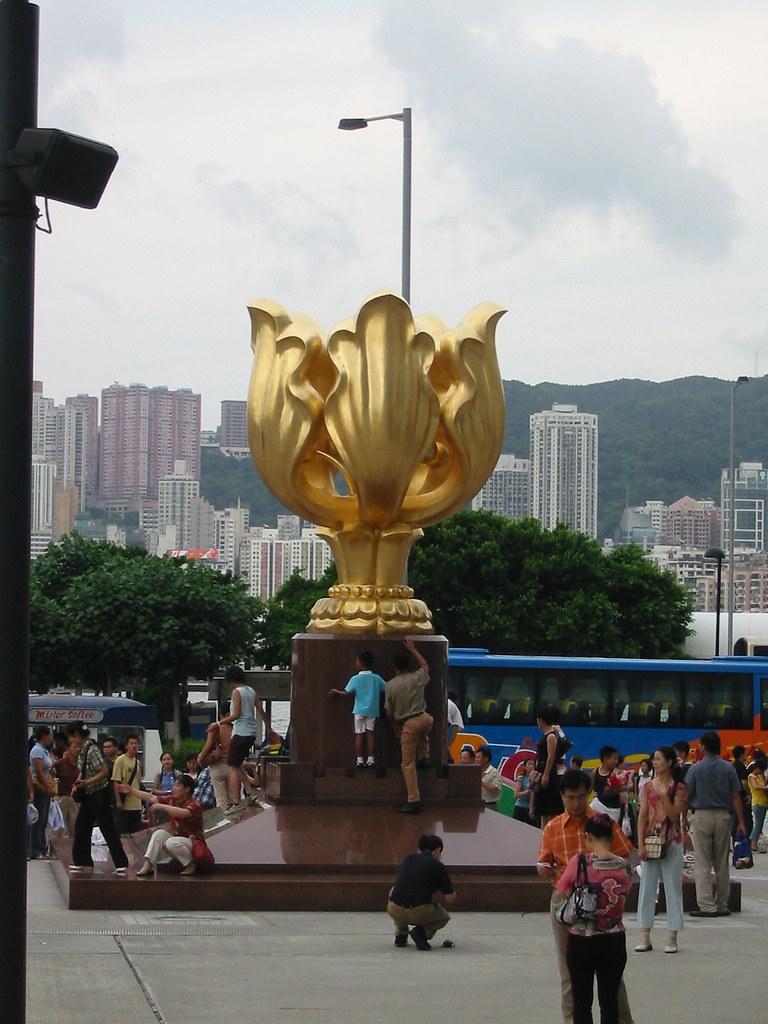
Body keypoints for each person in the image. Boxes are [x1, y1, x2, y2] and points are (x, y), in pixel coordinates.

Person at [537, 769, 635, 1024]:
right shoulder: (552, 828)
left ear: (589, 794)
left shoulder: (603, 823)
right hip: (567, 904)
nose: (577, 803)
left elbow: (626, 856)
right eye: (571, 798)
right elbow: (543, 862)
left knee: (611, 974)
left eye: (581, 797)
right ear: (562, 797)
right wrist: (543, 869)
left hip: (605, 904)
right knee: (569, 972)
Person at [556, 813, 632, 1024]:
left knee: (581, 1003)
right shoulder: (625, 867)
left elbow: (562, 890)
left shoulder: (580, 863)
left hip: (581, 940)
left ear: (587, 836)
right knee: (609, 1002)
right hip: (614, 939)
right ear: (612, 837)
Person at [685, 730, 745, 917]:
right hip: (723, 816)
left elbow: (687, 795)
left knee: (702, 862)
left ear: (703, 746)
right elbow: (736, 796)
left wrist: (681, 819)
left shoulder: (696, 769)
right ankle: (721, 904)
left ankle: (706, 906)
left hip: (702, 815)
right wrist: (741, 821)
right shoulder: (728, 768)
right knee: (721, 863)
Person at [635, 745, 689, 954]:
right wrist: (639, 843)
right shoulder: (647, 786)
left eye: (658, 759)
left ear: (669, 762)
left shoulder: (680, 788)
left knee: (673, 888)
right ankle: (645, 935)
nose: (655, 763)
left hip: (672, 842)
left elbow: (675, 816)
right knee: (647, 887)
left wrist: (665, 795)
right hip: (650, 842)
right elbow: (642, 815)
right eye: (653, 759)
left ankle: (672, 935)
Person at [67, 722, 129, 875]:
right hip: (89, 793)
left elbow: (103, 771)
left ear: (76, 735)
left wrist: (86, 782)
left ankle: (121, 863)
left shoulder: (92, 749)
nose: (71, 741)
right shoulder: (83, 750)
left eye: (71, 737)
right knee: (81, 825)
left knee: (106, 826)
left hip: (99, 793)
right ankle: (83, 862)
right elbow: (84, 770)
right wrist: (79, 782)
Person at [120, 773, 207, 877]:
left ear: (187, 789)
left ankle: (190, 863)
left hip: (194, 843)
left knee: (171, 842)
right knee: (159, 834)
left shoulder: (194, 803)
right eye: (174, 785)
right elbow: (152, 797)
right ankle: (148, 864)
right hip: (177, 844)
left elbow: (185, 813)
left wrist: (161, 806)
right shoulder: (172, 800)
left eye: (177, 785)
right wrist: (131, 791)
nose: (174, 788)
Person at [384, 637, 433, 815]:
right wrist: (413, 649)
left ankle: (413, 799)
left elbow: (389, 712)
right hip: (426, 719)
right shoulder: (417, 677)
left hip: (409, 723)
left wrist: (395, 726)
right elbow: (425, 666)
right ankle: (424, 757)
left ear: (394, 666)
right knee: (422, 732)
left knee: (407, 764)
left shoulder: (391, 685)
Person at [387, 833, 456, 949]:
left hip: (394, 909)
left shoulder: (408, 859)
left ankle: (401, 934)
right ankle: (421, 933)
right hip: (417, 913)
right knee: (443, 917)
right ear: (438, 850)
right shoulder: (438, 866)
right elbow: (450, 898)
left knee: (395, 890)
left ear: (419, 849)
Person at [218, 665, 270, 814]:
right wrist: (269, 728)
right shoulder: (251, 691)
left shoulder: (237, 692)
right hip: (251, 733)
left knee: (232, 766)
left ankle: (235, 802)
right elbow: (261, 710)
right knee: (238, 764)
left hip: (240, 732)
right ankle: (249, 793)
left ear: (230, 680)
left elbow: (236, 714)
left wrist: (219, 723)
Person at [328, 650, 387, 768]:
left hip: (359, 710)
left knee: (359, 734)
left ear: (360, 663)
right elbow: (387, 688)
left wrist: (336, 692)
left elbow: (347, 693)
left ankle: (359, 759)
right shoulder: (376, 678)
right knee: (370, 734)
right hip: (372, 709)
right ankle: (371, 759)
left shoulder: (355, 678)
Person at [532, 707, 570, 826]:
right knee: (543, 812)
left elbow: (551, 756)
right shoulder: (546, 735)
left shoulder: (551, 736)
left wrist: (546, 775)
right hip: (542, 772)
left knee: (550, 810)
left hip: (548, 774)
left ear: (541, 720)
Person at [28, 725, 55, 859]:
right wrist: (48, 786)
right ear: (44, 735)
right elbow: (38, 771)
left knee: (44, 820)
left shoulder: (44, 750)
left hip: (45, 788)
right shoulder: (37, 751)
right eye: (49, 735)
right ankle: (35, 850)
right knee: (38, 820)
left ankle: (42, 848)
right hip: (40, 788)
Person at [197, 718, 233, 810]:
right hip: (233, 766)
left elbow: (208, 746)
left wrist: (201, 759)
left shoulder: (216, 728)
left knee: (221, 800)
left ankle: (224, 820)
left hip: (218, 766)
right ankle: (235, 820)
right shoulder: (235, 728)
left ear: (221, 714)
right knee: (233, 798)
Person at [111, 734, 143, 835]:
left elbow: (138, 782)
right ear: (126, 746)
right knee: (122, 833)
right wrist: (118, 800)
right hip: (124, 803)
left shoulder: (137, 762)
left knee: (136, 834)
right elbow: (116, 781)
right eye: (131, 743)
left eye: (136, 743)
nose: (134, 746)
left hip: (136, 804)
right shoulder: (120, 760)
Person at [53, 738, 80, 837]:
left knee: (75, 828)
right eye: (74, 747)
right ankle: (54, 850)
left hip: (75, 799)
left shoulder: (82, 764)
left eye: (79, 747)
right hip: (61, 798)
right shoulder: (60, 763)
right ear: (68, 748)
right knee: (59, 829)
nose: (77, 749)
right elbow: (52, 776)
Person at [590, 746, 623, 822]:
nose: (616, 761)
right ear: (605, 759)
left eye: (617, 759)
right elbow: (589, 790)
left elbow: (621, 789)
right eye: (614, 758)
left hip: (613, 809)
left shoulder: (617, 773)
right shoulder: (595, 772)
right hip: (598, 805)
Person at [732, 744, 753, 841]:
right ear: (741, 754)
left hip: (734, 796)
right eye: (745, 754)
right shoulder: (741, 766)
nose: (746, 756)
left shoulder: (733, 766)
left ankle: (736, 840)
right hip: (742, 797)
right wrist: (749, 793)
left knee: (736, 820)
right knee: (746, 820)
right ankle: (744, 840)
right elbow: (744, 782)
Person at [747, 753, 768, 852]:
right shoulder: (751, 777)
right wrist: (765, 787)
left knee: (759, 824)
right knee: (758, 824)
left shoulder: (759, 777)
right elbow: (755, 787)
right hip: (758, 803)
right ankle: (753, 844)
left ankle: (754, 843)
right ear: (757, 768)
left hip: (763, 803)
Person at [513, 756, 537, 825]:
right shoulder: (521, 778)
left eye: (533, 764)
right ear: (525, 767)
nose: (531, 766)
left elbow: (534, 793)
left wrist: (531, 808)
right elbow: (516, 795)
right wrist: (528, 791)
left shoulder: (535, 779)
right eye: (529, 764)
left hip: (531, 808)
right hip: (520, 807)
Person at [475, 744, 501, 809]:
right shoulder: (475, 771)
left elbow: (495, 788)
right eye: (476, 757)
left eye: (478, 757)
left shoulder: (494, 772)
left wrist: (481, 783)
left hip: (489, 805)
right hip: (477, 804)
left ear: (486, 759)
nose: (476, 760)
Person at [446, 692, 464, 763]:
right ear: (456, 701)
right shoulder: (453, 706)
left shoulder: (441, 703)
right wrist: (448, 746)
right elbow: (455, 729)